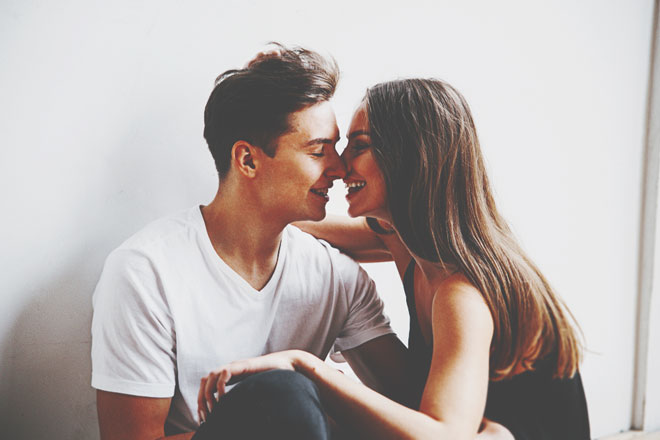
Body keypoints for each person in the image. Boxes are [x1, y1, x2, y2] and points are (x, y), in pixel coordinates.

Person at [198, 78, 591, 439]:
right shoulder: (401, 240)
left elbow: (445, 436)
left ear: (410, 159)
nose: (341, 165)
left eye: (359, 145)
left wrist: (307, 368)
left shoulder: (460, 293)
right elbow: (289, 220)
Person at [91, 45, 412, 440]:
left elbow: (414, 409)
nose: (340, 168)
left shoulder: (337, 277)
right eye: (318, 151)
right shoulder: (145, 272)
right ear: (247, 160)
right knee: (287, 397)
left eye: (336, 148)